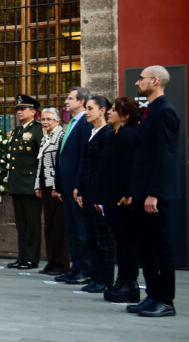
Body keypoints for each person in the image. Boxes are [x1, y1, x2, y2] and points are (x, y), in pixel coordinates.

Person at [126, 66, 180, 317]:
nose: (137, 83)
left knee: (160, 247)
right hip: (141, 192)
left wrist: (154, 193)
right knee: (145, 247)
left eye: (141, 79)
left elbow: (165, 157)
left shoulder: (165, 112)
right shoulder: (150, 111)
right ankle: (153, 295)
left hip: (153, 195)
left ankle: (165, 300)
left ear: (155, 81)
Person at [98, 97, 141, 303]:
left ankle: (129, 282)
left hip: (122, 199)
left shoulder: (129, 135)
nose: (109, 112)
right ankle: (122, 279)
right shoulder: (114, 135)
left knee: (126, 241)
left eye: (114, 110)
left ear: (125, 116)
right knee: (120, 241)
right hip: (110, 197)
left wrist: (127, 193)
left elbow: (130, 168)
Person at [74, 96, 114, 293]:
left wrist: (100, 196)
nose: (87, 111)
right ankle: (95, 276)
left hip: (99, 192)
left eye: (91, 108)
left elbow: (104, 168)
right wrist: (80, 189)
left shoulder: (106, 134)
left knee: (103, 237)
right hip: (88, 191)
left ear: (103, 110)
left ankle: (105, 279)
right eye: (86, 108)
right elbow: (86, 165)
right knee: (92, 235)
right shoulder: (92, 132)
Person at [54, 86, 94, 285]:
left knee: (81, 229)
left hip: (76, 187)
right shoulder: (70, 124)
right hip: (67, 186)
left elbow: (82, 158)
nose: (66, 102)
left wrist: (78, 185)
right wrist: (60, 185)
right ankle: (75, 267)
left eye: (70, 98)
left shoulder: (85, 124)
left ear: (81, 102)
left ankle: (86, 269)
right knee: (71, 229)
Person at [6, 94, 43, 270]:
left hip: (30, 184)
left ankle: (31, 258)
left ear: (33, 112)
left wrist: (39, 184)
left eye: (23, 109)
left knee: (32, 223)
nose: (19, 112)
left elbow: (41, 159)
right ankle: (22, 256)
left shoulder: (38, 130)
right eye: (18, 109)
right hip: (17, 183)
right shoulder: (17, 131)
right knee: (21, 224)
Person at [34, 107, 69, 276]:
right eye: (43, 119)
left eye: (48, 119)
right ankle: (51, 262)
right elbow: (40, 163)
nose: (45, 122)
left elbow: (60, 164)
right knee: (49, 226)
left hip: (55, 188)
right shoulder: (45, 137)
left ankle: (61, 264)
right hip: (45, 186)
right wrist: (37, 185)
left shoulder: (61, 136)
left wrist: (57, 186)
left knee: (59, 227)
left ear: (57, 121)